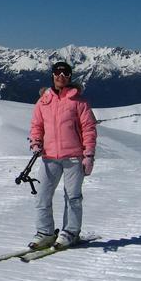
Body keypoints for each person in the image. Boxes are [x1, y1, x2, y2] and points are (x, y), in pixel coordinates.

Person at [27, 61, 97, 249]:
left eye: (65, 73)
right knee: (42, 196)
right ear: (52, 75)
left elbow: (89, 129)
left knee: (73, 196)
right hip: (49, 157)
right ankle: (45, 232)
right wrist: (36, 142)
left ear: (70, 77)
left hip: (74, 157)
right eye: (58, 73)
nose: (61, 76)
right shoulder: (43, 101)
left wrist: (88, 155)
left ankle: (71, 232)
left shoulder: (79, 102)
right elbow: (36, 126)